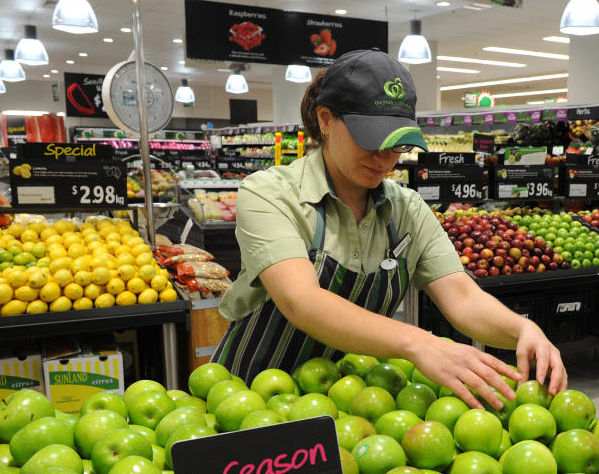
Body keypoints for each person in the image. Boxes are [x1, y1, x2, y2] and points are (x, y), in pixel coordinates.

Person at [212, 49, 566, 410]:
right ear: (326, 120)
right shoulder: (269, 194)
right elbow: (302, 301)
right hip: (249, 406)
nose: (383, 157)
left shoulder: (407, 209)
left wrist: (521, 329)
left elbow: (462, 297)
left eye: (397, 143)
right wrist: (422, 342)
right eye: (369, 138)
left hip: (356, 410)